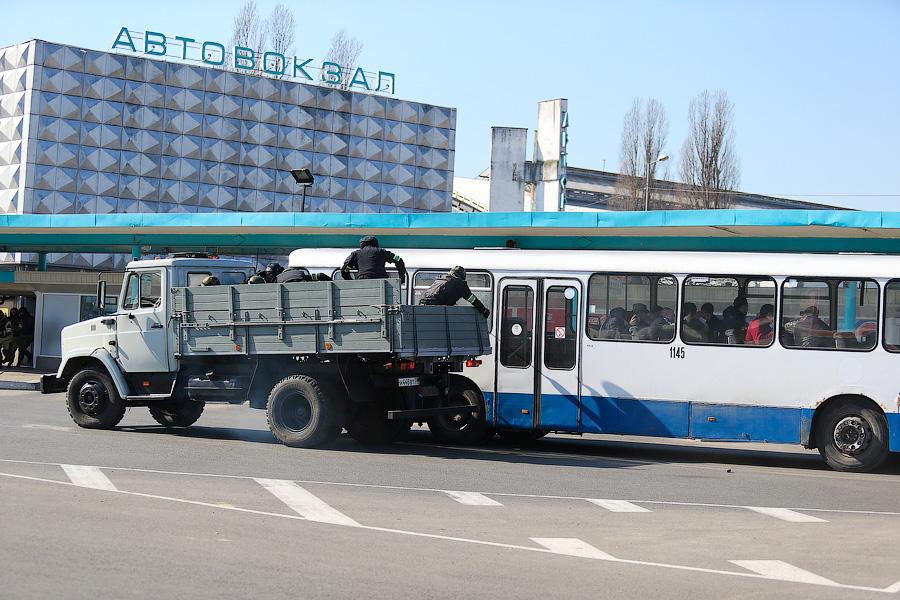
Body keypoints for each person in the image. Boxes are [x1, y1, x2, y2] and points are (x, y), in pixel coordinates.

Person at [418, 266, 490, 318]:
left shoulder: (440, 279)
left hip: (425, 308)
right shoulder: (459, 283)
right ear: (462, 276)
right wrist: (483, 310)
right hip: (439, 311)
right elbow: (472, 299)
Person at [340, 236, 407, 281]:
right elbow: (398, 260)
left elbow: (345, 269)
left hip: (362, 280)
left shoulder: (355, 254)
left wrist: (350, 280)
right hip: (381, 280)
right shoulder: (382, 251)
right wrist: (401, 277)